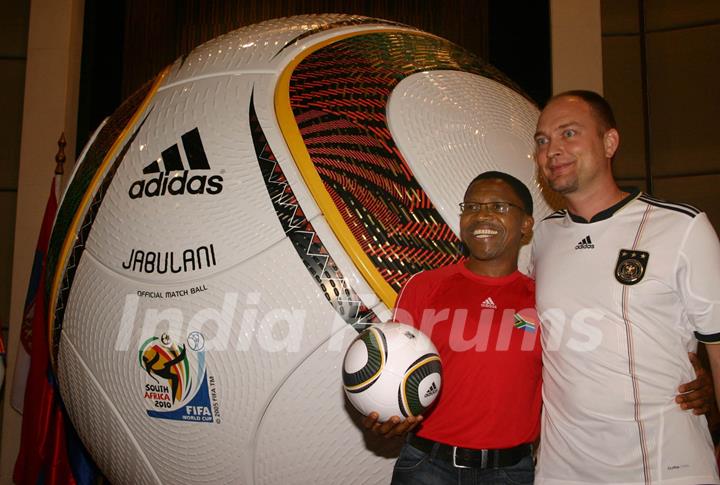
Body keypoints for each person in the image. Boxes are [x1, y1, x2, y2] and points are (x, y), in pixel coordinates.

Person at [532, 90, 720, 484]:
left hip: (665, 466)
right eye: (543, 140)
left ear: (609, 142)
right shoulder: (539, 239)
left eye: (569, 133)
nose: (553, 149)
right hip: (562, 471)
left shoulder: (682, 227)